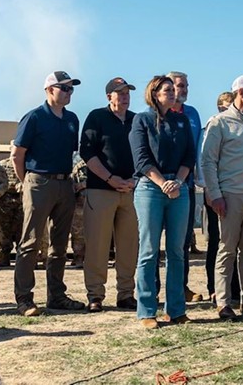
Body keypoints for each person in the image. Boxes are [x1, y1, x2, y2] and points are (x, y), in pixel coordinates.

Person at [11, 71, 84, 316]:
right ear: (49, 90)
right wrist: (28, 182)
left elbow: (72, 153)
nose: (69, 92)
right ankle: (24, 299)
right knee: (30, 243)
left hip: (64, 183)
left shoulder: (72, 119)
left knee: (60, 245)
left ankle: (57, 296)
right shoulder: (34, 117)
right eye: (64, 88)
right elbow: (17, 154)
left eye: (71, 88)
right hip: (39, 181)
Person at [129, 75, 195, 329]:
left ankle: (176, 310)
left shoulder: (181, 120)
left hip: (178, 189)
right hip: (150, 188)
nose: (172, 92)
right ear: (154, 94)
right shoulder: (142, 120)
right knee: (149, 251)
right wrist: (162, 183)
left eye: (173, 89)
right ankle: (146, 311)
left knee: (177, 251)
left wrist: (177, 182)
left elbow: (189, 156)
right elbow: (142, 158)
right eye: (167, 89)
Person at [201, 74, 243, 320]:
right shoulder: (219, 122)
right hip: (230, 195)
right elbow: (208, 161)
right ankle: (223, 302)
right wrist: (215, 194)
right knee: (227, 249)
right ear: (242, 93)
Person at [80, 77, 138, 313]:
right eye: (119, 92)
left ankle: (126, 294)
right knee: (97, 245)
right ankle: (95, 295)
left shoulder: (137, 120)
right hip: (101, 189)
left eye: (127, 92)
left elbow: (145, 152)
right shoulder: (97, 117)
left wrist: (135, 180)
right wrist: (109, 178)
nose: (124, 96)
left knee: (129, 246)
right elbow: (87, 152)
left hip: (131, 190)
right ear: (109, 97)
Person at [195, 91, 240, 304]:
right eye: (224, 106)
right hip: (214, 193)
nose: (228, 109)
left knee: (235, 243)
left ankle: (235, 288)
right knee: (216, 241)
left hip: (235, 192)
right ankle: (214, 287)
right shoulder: (210, 129)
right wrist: (208, 190)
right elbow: (203, 160)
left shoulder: (240, 130)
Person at [165, 71, 204, 303]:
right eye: (180, 85)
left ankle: (181, 287)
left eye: (186, 85)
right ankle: (156, 290)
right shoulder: (155, 115)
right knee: (155, 246)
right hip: (160, 187)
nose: (184, 89)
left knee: (182, 241)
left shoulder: (192, 114)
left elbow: (196, 150)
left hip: (186, 186)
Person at [0, 151, 23, 268]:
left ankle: (22, 258)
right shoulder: (1, 165)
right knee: (4, 230)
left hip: (21, 200)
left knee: (21, 230)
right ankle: (3, 257)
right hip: (5, 200)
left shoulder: (24, 164)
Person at [69, 159, 87, 268]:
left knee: (97, 233)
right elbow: (73, 184)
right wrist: (80, 185)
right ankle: (78, 258)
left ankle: (93, 259)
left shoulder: (103, 163)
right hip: (80, 204)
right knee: (78, 233)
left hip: (98, 203)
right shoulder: (79, 167)